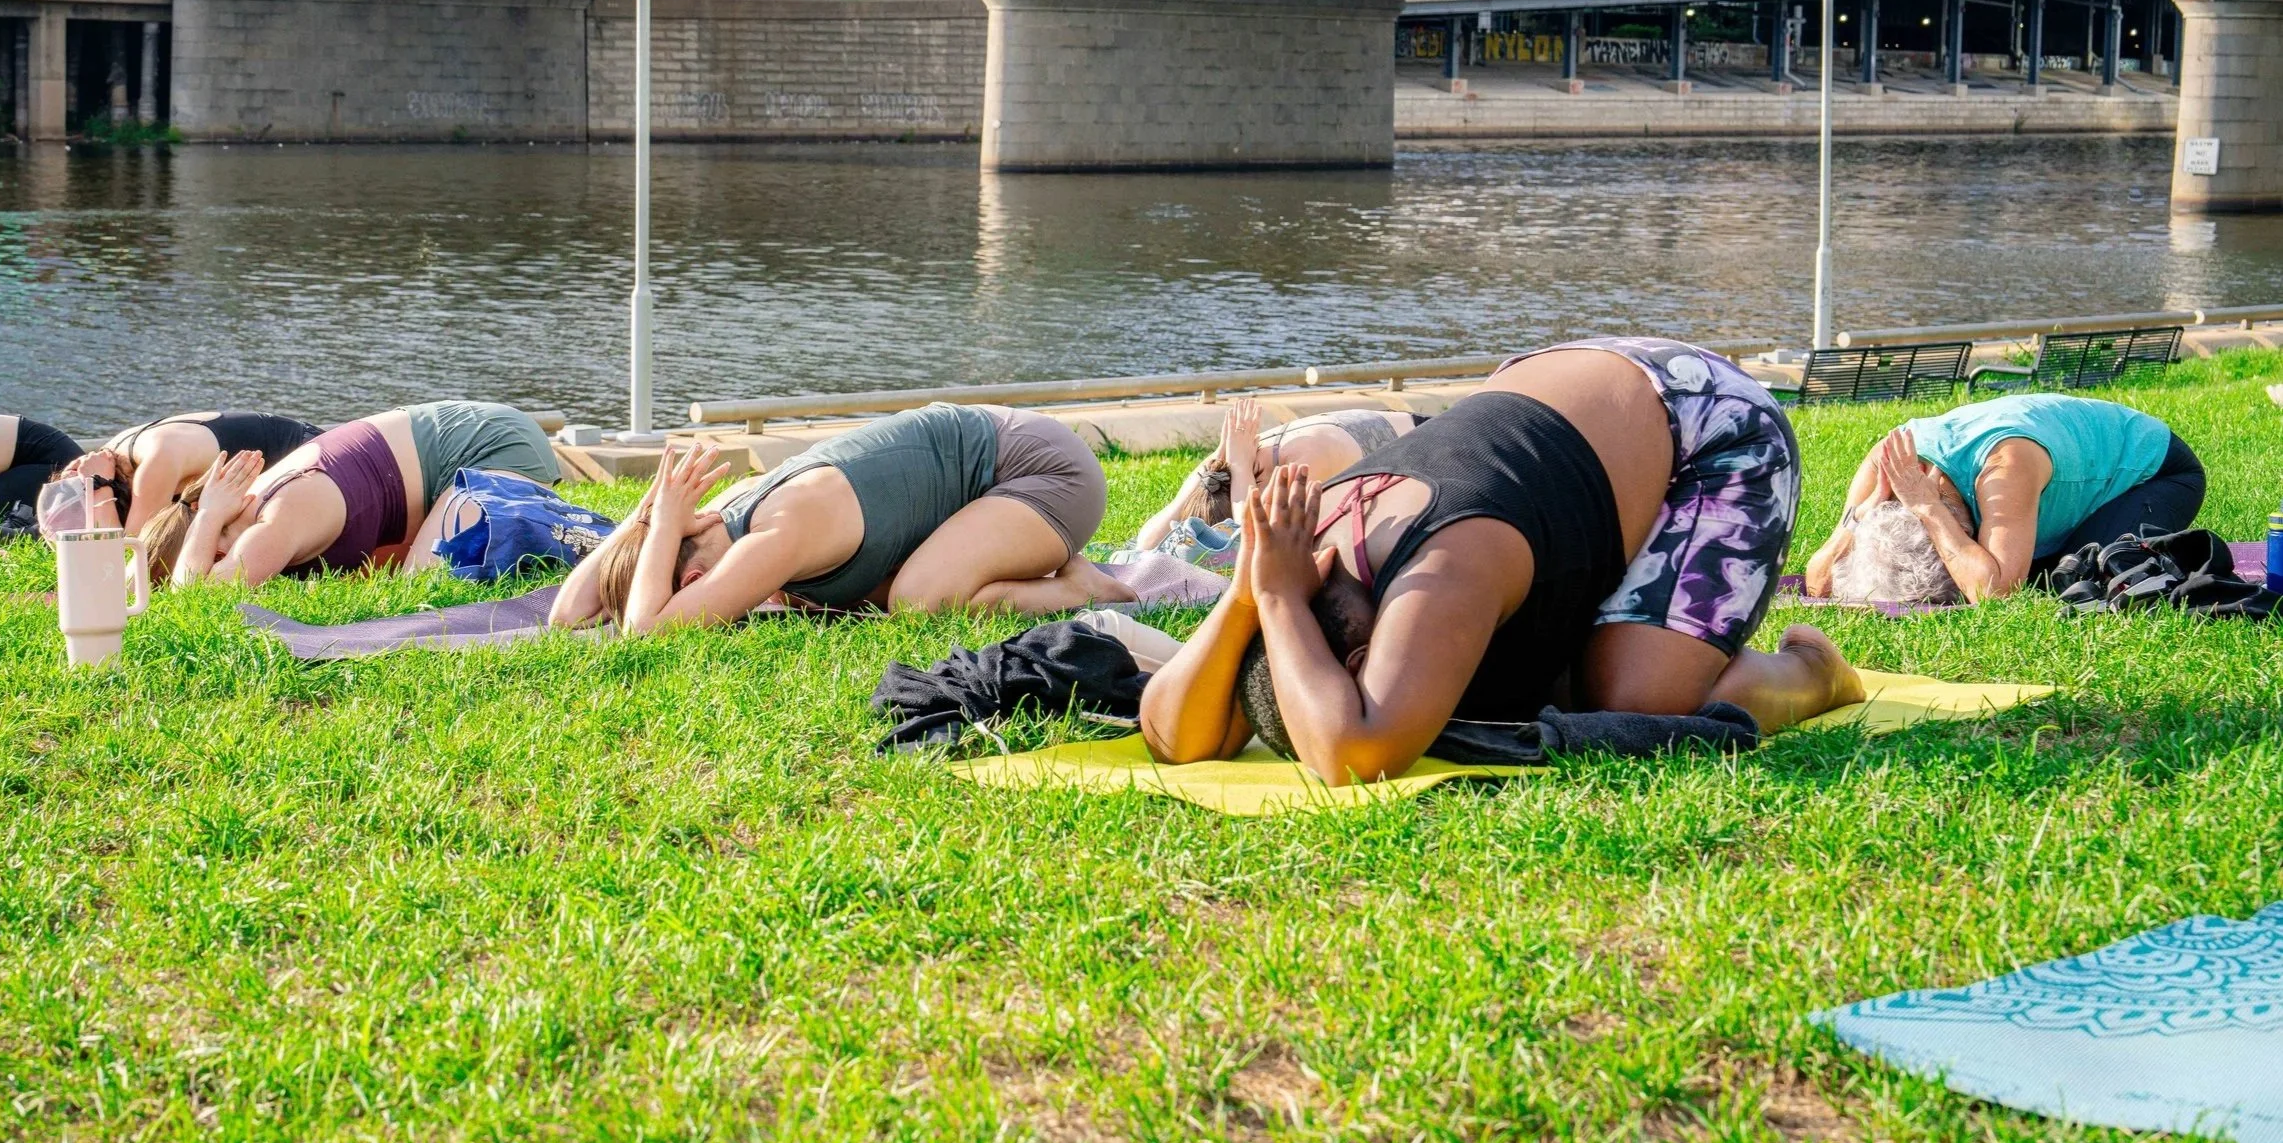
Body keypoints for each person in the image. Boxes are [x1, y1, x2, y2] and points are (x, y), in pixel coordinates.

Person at [1138, 338, 1865, 788]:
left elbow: (1355, 754)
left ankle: (1812, 672)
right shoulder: (1287, 556)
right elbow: (1172, 736)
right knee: (1544, 677)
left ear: (1366, 655)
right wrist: (1248, 597)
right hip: (1564, 404)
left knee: (1639, 697)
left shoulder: (1444, 560)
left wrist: (1277, 603)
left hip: (1706, 417)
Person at [550, 401, 1135, 632]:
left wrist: (659, 532)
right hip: (981, 476)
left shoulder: (770, 536)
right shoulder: (726, 525)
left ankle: (1079, 588)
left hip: (1044, 472)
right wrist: (647, 517)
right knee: (857, 596)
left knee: (917, 600)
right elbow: (565, 617)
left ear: (694, 584)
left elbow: (649, 633)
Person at [1803, 393, 2201, 605]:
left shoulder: (2003, 467)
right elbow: (1817, 583)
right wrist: (1858, 519)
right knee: (2023, 566)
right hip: (2042, 460)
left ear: (1959, 523)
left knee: (2065, 578)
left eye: (1964, 537)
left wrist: (1928, 509)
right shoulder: (1883, 477)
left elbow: (1994, 593)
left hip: (2158, 472)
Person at [153, 401, 560, 587]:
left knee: (424, 584)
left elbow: (198, 596)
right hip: (453, 452)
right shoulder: (260, 510)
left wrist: (207, 516)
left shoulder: (279, 515)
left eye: (207, 556)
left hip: (494, 445)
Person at [1131, 398, 1421, 552]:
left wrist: (1241, 467)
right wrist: (1227, 459)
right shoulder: (1224, 464)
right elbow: (1146, 543)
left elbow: (1257, 537)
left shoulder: (1301, 462)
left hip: (1429, 444)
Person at [47, 411, 324, 536]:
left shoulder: (155, 463)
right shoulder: (115, 457)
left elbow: (131, 550)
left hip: (313, 453)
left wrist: (99, 486)